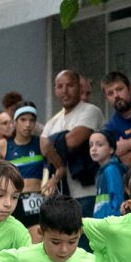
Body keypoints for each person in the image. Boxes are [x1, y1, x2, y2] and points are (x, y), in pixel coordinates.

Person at [40, 70, 105, 215]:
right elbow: (44, 148)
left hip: (88, 192)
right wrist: (58, 143)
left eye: (70, 85)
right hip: (62, 194)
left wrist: (53, 143)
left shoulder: (90, 111)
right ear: (55, 90)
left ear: (80, 88)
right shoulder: (54, 120)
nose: (65, 91)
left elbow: (73, 141)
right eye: (60, 86)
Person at [5, 104, 46, 240]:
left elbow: (60, 167)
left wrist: (53, 179)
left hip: (36, 199)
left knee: (36, 243)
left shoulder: (41, 143)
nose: (28, 124)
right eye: (23, 119)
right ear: (15, 122)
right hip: (12, 200)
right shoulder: (3, 145)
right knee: (14, 244)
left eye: (31, 120)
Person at [89, 130, 126, 218]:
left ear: (111, 149)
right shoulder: (101, 171)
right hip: (102, 224)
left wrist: (115, 219)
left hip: (110, 225)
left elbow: (117, 199)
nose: (94, 149)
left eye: (100, 145)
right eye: (91, 145)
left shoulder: (111, 170)